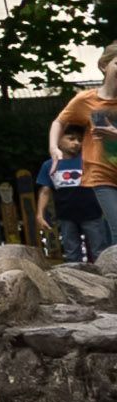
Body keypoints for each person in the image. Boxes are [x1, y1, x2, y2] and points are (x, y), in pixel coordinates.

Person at [53, 50, 116, 268]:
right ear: (104, 66)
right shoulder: (86, 101)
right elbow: (60, 121)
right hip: (102, 176)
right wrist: (54, 148)